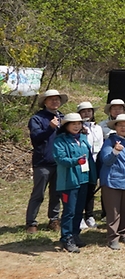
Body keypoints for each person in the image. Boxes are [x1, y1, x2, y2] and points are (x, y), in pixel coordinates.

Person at [51, 112, 97, 252]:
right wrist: (75, 161)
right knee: (69, 211)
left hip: (83, 179)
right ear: (66, 126)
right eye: (73, 124)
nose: (77, 126)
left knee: (78, 210)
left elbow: (89, 159)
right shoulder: (60, 140)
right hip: (69, 181)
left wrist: (93, 177)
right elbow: (60, 158)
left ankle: (75, 234)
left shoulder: (83, 138)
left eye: (79, 124)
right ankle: (66, 238)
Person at [98, 113, 125, 250]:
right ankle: (113, 238)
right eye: (120, 125)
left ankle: (124, 233)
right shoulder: (110, 141)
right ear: (115, 127)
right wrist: (115, 152)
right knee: (113, 211)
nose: (124, 128)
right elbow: (105, 160)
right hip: (112, 181)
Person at [26, 89, 67, 234]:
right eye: (51, 99)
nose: (55, 102)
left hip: (59, 162)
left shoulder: (62, 117)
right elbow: (36, 138)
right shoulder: (37, 118)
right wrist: (50, 128)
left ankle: (54, 220)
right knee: (38, 194)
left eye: (57, 99)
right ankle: (31, 223)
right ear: (45, 102)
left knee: (56, 193)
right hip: (43, 162)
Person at [76, 101, 103, 229]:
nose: (87, 113)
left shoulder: (97, 128)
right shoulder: (77, 128)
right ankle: (80, 216)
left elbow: (101, 145)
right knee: (81, 188)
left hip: (96, 160)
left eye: (89, 111)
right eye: (83, 111)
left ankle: (90, 215)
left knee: (91, 189)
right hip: (82, 161)